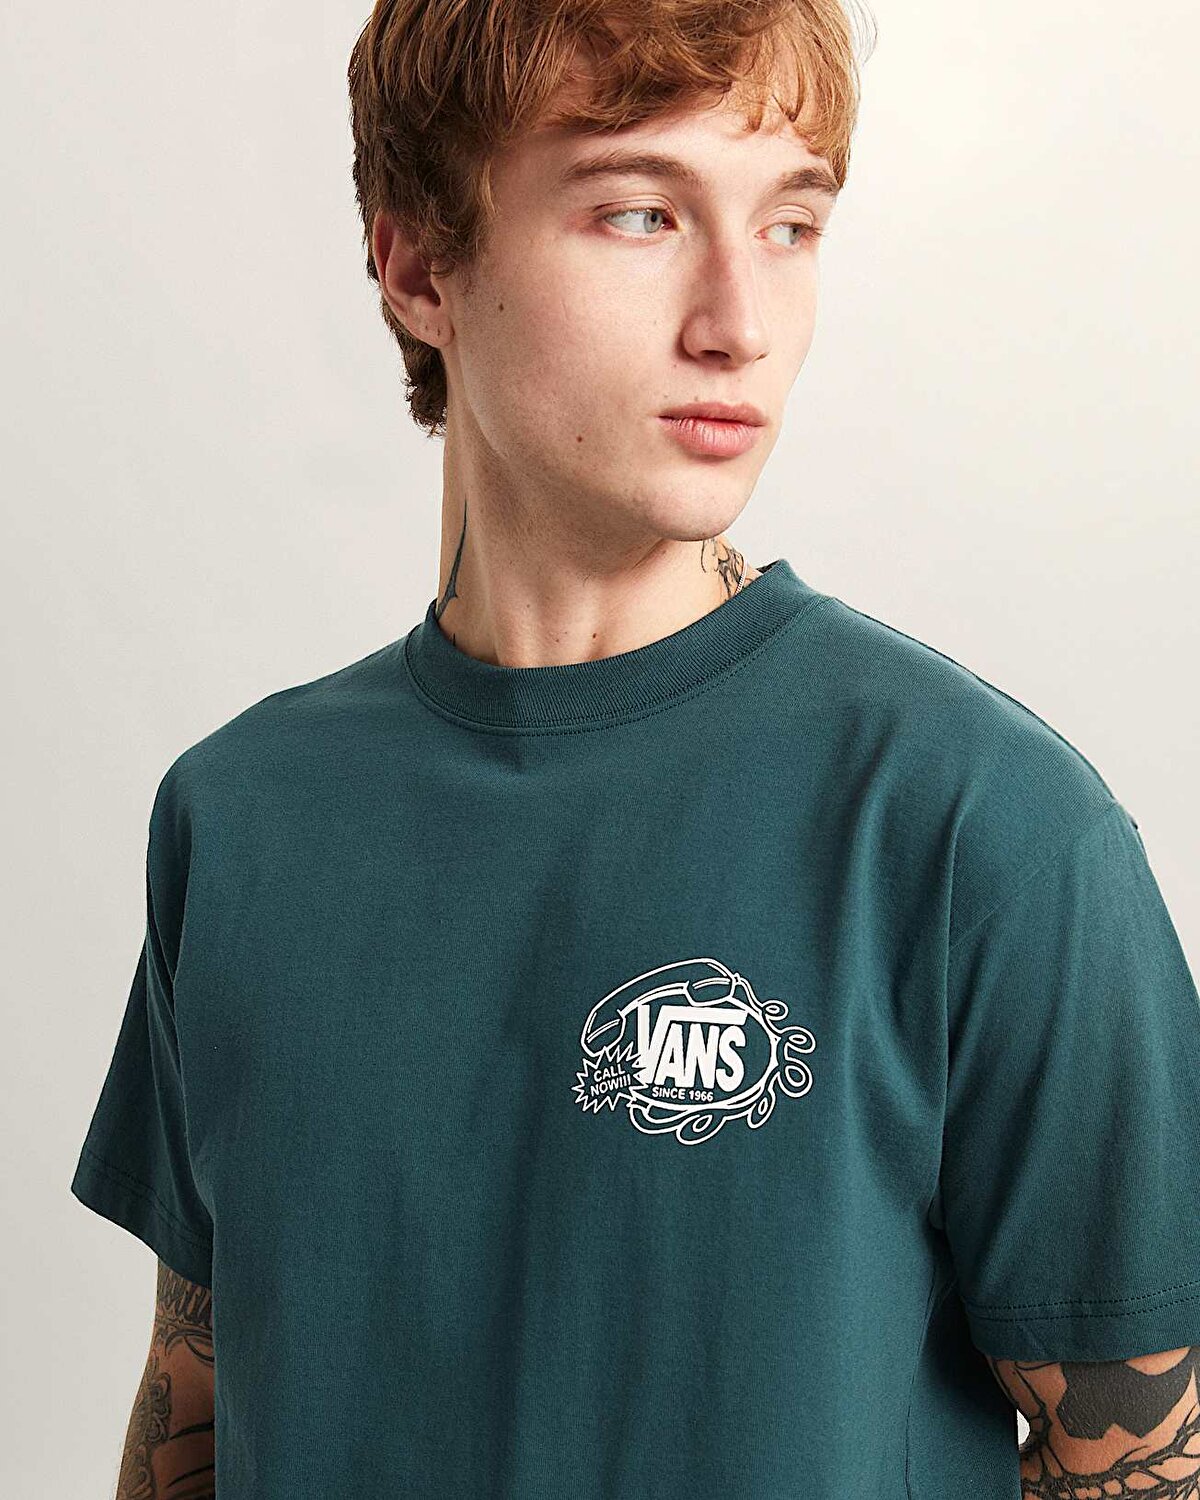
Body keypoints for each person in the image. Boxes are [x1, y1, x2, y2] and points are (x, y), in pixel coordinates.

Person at [71, 2, 1200, 1496]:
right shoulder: (240, 817)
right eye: (641, 212)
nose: (740, 320)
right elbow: (196, 1397)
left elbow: (1142, 1452)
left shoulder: (978, 827)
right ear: (420, 267)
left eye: (790, 225)